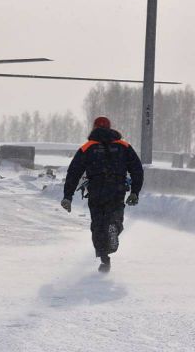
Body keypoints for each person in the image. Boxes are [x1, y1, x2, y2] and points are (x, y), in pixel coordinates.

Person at [61, 116, 143, 273]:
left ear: (94, 128)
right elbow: (137, 170)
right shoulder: (124, 146)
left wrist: (68, 196)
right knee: (115, 216)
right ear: (110, 128)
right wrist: (135, 192)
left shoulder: (88, 147)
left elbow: (74, 172)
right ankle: (115, 228)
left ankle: (105, 259)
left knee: (98, 225)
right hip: (117, 189)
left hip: (97, 190)